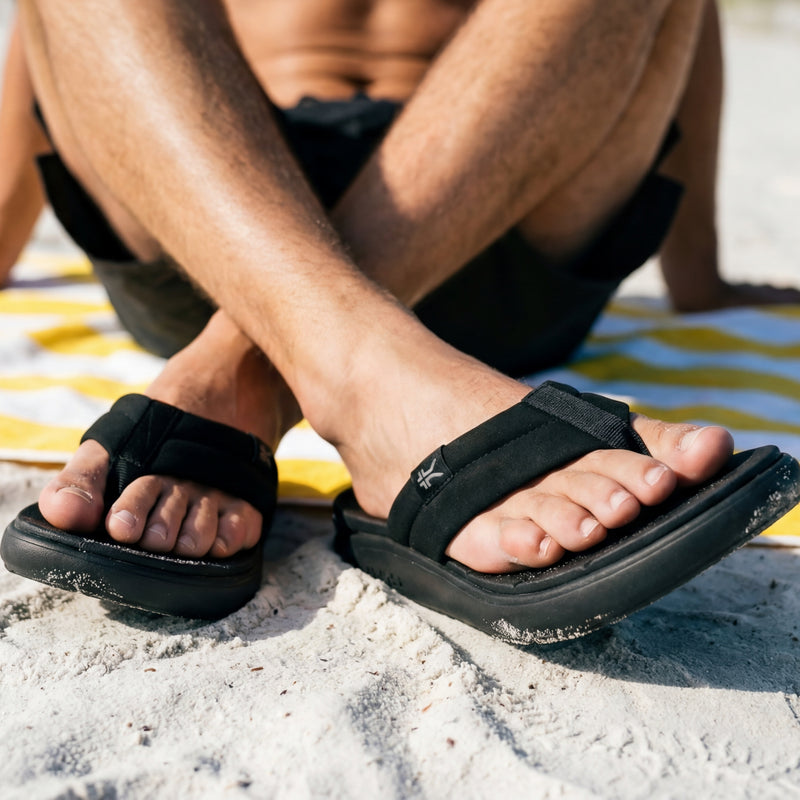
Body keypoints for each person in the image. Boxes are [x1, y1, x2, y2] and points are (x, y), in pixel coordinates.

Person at [2, 0, 799, 631]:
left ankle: (250, 363)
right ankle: (365, 367)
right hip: (211, 189)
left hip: (496, 185)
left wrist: (700, 275)